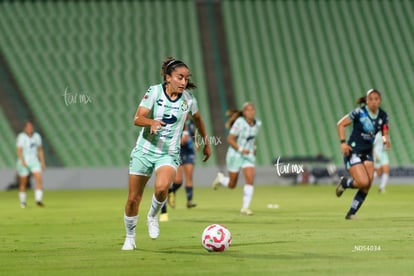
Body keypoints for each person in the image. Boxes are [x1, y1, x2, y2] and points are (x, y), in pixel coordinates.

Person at [121, 57, 211, 250]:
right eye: (180, 77)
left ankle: (152, 216)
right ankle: (130, 236)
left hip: (168, 153)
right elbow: (137, 118)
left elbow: (198, 119)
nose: (184, 82)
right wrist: (151, 122)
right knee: (132, 199)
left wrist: (206, 142)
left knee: (162, 188)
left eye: (186, 79)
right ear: (168, 77)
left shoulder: (188, 99)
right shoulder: (154, 91)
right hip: (144, 150)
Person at [335, 89, 390, 220]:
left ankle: (351, 213)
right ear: (366, 100)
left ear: (380, 101)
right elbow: (341, 124)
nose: (374, 102)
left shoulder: (383, 115)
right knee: (362, 181)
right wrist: (343, 143)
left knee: (368, 184)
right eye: (371, 99)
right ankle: (345, 183)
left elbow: (384, 131)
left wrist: (385, 140)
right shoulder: (359, 112)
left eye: (376, 99)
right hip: (353, 151)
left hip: (367, 153)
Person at [212, 102, 261, 215]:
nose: (251, 112)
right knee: (232, 185)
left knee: (250, 179)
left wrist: (254, 149)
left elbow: (253, 139)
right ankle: (221, 179)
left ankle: (245, 208)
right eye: (248, 110)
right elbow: (230, 139)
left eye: (252, 109)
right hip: (235, 155)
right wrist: (241, 149)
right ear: (244, 112)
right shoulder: (239, 122)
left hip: (248, 156)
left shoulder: (256, 123)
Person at [159, 118, 198, 222]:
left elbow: (193, 134)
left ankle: (188, 200)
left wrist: (196, 142)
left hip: (188, 152)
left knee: (187, 178)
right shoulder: (170, 122)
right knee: (174, 181)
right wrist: (179, 141)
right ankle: (163, 211)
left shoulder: (190, 124)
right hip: (172, 153)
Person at [16, 120, 46, 208]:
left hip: (34, 161)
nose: (29, 129)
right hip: (24, 162)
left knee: (39, 179)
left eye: (31, 127)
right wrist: (22, 161)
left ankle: (38, 200)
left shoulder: (37, 136)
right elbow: (19, 150)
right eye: (28, 127)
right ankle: (22, 202)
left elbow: (40, 149)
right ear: (25, 128)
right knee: (23, 182)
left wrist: (42, 161)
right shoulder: (21, 137)